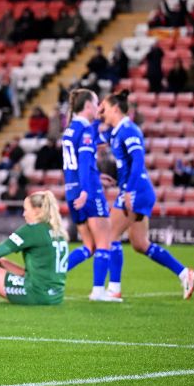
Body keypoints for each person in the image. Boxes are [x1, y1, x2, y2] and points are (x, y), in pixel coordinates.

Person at [98, 90, 194, 300]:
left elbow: (138, 162)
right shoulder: (115, 132)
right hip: (136, 191)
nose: (101, 111)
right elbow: (91, 138)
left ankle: (114, 289)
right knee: (140, 244)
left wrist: (128, 191)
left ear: (115, 108)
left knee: (109, 235)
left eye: (104, 108)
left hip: (136, 191)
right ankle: (184, 273)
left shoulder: (130, 130)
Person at [62, 89, 116, 301]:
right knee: (103, 242)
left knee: (88, 246)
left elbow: (76, 164)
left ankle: (52, 275)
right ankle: (98, 291)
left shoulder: (69, 129)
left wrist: (95, 177)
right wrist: (87, 188)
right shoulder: (85, 130)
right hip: (88, 193)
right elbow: (84, 162)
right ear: (87, 107)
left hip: (71, 190)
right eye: (96, 104)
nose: (98, 108)